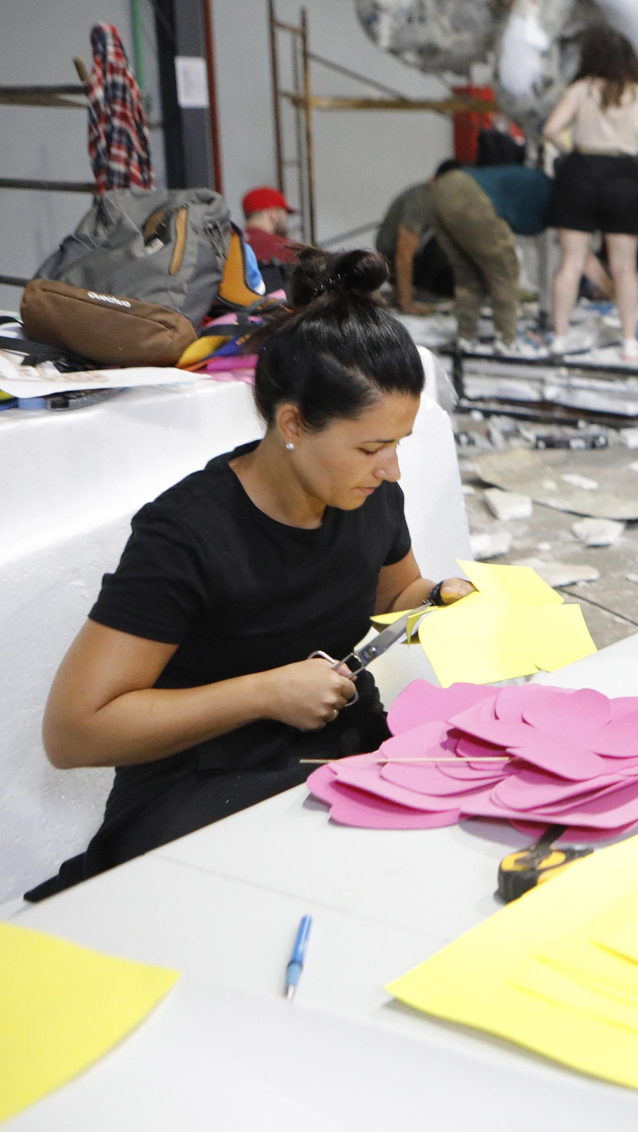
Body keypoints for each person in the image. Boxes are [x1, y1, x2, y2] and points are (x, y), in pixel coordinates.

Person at [26, 248, 477, 901]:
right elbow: (73, 731)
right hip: (202, 782)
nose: (393, 470)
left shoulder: (369, 495)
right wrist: (266, 693)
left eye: (399, 444)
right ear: (292, 422)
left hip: (332, 749)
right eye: (372, 447)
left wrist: (436, 596)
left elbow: (390, 593)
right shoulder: (187, 532)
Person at [544, 25, 638, 361]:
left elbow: (551, 129)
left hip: (580, 174)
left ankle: (560, 338)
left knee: (569, 262)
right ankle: (629, 341)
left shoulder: (581, 90)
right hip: (624, 177)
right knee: (624, 268)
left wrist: (570, 148)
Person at [430, 160, 552, 354]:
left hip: (442, 190)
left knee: (467, 275)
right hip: (472, 197)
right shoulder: (551, 193)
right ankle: (506, 340)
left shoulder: (536, 180)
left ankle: (466, 336)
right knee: (505, 271)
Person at [374, 170, 458, 315]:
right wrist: (407, 303)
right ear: (434, 181)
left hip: (409, 262)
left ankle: (426, 293)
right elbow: (403, 253)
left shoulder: (441, 200)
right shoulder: (421, 199)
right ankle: (421, 294)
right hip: (392, 261)